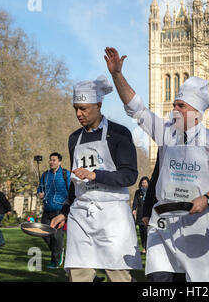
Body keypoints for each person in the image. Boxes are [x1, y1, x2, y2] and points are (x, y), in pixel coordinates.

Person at [104, 47, 209, 282]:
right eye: (175, 104)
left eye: (180, 106)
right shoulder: (166, 134)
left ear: (196, 112)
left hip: (198, 226)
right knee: (159, 283)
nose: (173, 109)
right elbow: (137, 109)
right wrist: (117, 75)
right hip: (164, 224)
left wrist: (206, 199)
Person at [50, 75, 142, 282]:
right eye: (76, 108)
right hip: (81, 216)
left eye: (84, 108)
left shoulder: (119, 133)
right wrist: (64, 211)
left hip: (112, 217)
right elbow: (75, 183)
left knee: (118, 276)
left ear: (99, 105)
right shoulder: (74, 139)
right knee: (78, 275)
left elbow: (130, 175)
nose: (78, 114)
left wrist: (95, 174)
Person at [37, 152, 71, 269]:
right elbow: (40, 187)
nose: (51, 162)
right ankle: (58, 250)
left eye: (54, 160)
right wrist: (40, 193)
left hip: (60, 210)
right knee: (44, 233)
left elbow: (71, 190)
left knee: (57, 236)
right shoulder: (45, 175)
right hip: (47, 208)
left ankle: (55, 262)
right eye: (50, 160)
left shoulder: (66, 174)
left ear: (59, 162)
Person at [132, 176, 149, 254]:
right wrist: (134, 209)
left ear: (148, 183)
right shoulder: (138, 192)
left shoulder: (150, 192)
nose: (144, 184)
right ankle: (144, 247)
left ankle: (147, 247)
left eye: (145, 182)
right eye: (143, 182)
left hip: (148, 214)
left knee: (147, 232)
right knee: (142, 232)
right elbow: (135, 202)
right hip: (140, 215)